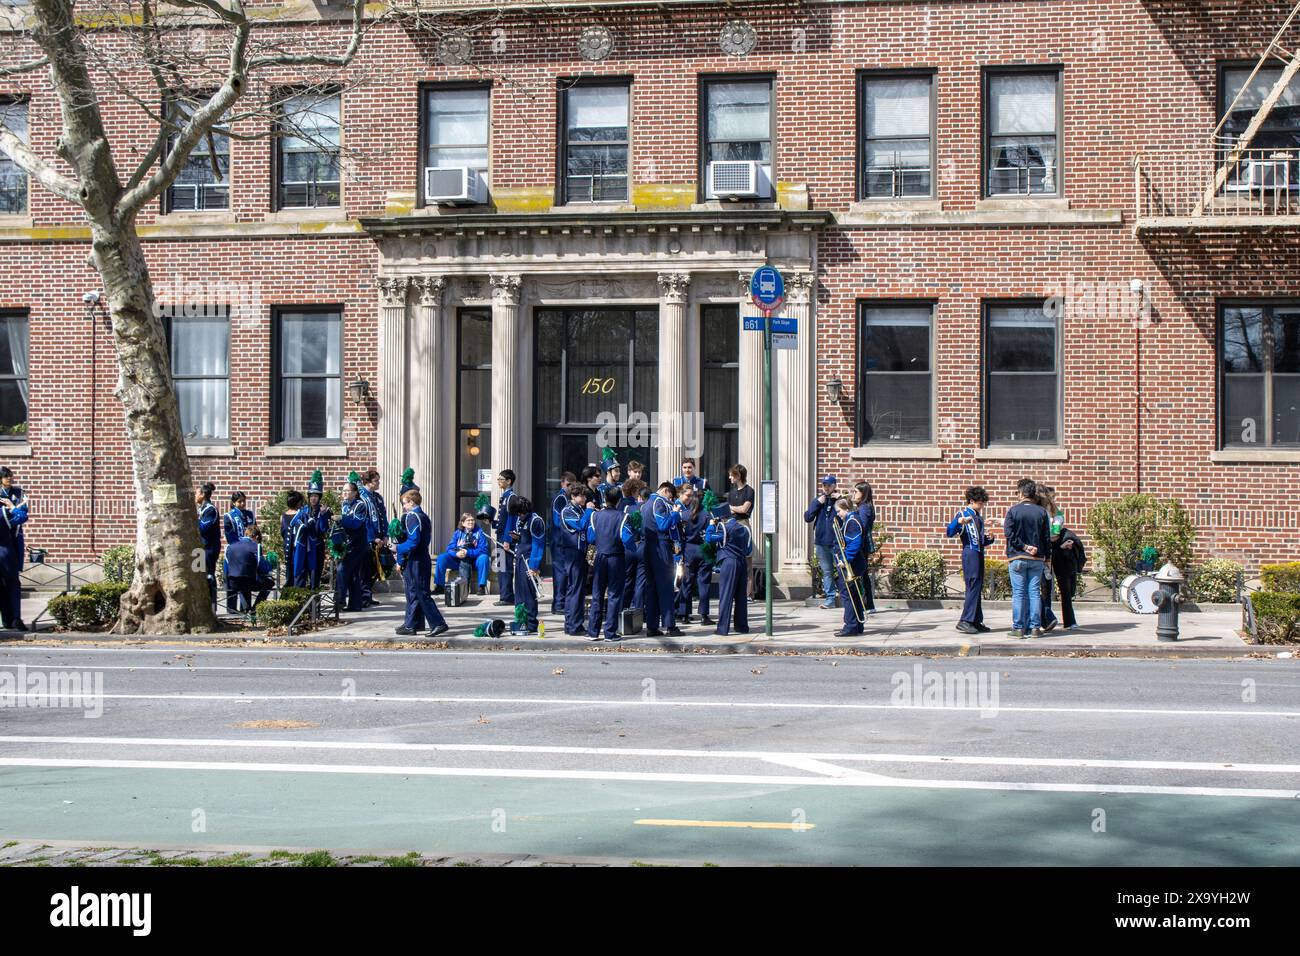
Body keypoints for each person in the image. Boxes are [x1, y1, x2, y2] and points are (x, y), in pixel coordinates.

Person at [393, 489, 449, 638]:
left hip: (416, 558)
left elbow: (413, 541)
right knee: (413, 592)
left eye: (404, 503)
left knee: (421, 593)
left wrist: (397, 548)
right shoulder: (423, 516)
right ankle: (412, 623)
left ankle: (438, 623)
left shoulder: (412, 516)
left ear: (411, 502)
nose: (403, 507)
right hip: (420, 557)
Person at [586, 487, 638, 641]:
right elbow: (627, 539)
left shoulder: (595, 516)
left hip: (600, 557)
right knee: (614, 595)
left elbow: (590, 538)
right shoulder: (623, 516)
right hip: (616, 558)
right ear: (619, 501)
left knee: (597, 594)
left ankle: (593, 632)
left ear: (605, 499)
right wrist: (633, 548)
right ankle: (610, 632)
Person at [1003, 478, 1052, 639]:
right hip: (1037, 559)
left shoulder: (1013, 511)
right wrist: (1047, 557)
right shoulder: (1042, 512)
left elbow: (1009, 534)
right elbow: (1046, 538)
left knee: (1019, 593)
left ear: (1022, 493)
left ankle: (1018, 628)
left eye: (1017, 492)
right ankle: (1035, 627)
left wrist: (1024, 546)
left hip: (1017, 557)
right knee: (1034, 593)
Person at [946, 486, 995, 635]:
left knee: (977, 586)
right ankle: (965, 620)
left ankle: (975, 620)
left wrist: (989, 540)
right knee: (973, 585)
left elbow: (979, 540)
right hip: (970, 553)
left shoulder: (977, 515)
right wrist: (959, 522)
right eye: (980, 503)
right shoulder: (963, 514)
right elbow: (949, 532)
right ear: (972, 501)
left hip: (978, 552)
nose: (982, 506)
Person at [640, 481, 683, 637]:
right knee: (665, 587)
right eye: (670, 496)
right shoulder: (658, 501)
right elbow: (663, 524)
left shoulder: (645, 504)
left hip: (648, 546)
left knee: (651, 588)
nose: (671, 500)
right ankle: (670, 625)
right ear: (665, 491)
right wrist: (675, 514)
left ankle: (652, 626)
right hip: (660, 545)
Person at [705, 510, 752, 636]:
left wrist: (711, 525)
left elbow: (709, 539)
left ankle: (723, 628)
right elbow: (749, 549)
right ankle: (742, 626)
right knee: (741, 597)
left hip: (729, 562)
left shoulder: (724, 528)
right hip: (742, 562)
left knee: (726, 596)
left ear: (721, 518)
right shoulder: (745, 528)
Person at [505, 495, 546, 634]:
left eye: (520, 513)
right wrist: (518, 537)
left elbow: (538, 545)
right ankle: (521, 620)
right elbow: (526, 538)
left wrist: (534, 566)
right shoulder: (520, 518)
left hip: (529, 560)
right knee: (520, 594)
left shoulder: (536, 521)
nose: (519, 516)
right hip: (520, 558)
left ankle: (531, 622)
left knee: (528, 593)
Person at [560, 485, 595, 635]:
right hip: (572, 553)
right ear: (573, 496)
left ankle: (571, 623)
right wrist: (589, 511)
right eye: (582, 496)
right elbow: (581, 525)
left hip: (580, 552)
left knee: (576, 589)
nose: (585, 498)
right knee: (575, 589)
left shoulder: (579, 510)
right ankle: (574, 625)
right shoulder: (567, 510)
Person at [804, 475, 842, 610]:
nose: (826, 488)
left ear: (834, 486)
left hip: (836, 543)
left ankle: (847, 597)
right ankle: (830, 599)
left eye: (829, 485)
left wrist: (839, 501)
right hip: (821, 543)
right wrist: (817, 503)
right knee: (827, 572)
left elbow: (845, 516)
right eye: (824, 485)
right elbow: (808, 517)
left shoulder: (839, 501)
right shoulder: (818, 501)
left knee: (842, 570)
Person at [834, 497, 869, 636]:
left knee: (847, 595)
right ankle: (857, 625)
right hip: (853, 562)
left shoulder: (852, 521)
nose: (838, 514)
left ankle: (850, 625)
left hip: (852, 564)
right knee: (853, 595)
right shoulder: (850, 520)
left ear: (846, 509)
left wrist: (845, 559)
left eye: (839, 511)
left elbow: (854, 544)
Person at [291, 470, 331, 589]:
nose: (313, 498)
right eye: (311, 496)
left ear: (319, 497)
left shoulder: (325, 511)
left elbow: (323, 529)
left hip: (317, 546)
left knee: (315, 575)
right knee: (301, 574)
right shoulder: (303, 510)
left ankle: (315, 604)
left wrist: (323, 516)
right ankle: (303, 602)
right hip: (304, 546)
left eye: (316, 496)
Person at [433, 512, 491, 595]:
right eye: (468, 520)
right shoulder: (458, 533)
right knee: (442, 558)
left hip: (475, 560)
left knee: (484, 558)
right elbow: (449, 548)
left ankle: (481, 587)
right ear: (463, 523)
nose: (471, 522)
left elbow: (484, 549)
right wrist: (456, 554)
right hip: (459, 559)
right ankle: (439, 586)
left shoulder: (479, 532)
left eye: (472, 520)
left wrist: (468, 552)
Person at [225, 524, 275, 618]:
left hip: (232, 583)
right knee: (270, 583)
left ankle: (246, 610)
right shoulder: (256, 546)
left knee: (244, 582)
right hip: (248, 582)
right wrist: (270, 565)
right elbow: (262, 568)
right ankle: (255, 609)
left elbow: (226, 567)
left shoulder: (230, 547)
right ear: (256, 537)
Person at [674, 487, 709, 624]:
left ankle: (684, 614)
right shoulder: (706, 515)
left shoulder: (684, 515)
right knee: (704, 582)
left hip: (688, 549)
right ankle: (704, 615)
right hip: (703, 548)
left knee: (687, 582)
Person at [333, 479, 369, 612]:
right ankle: (355, 604)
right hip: (348, 544)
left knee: (342, 568)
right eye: (343, 491)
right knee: (353, 574)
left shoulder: (360, 505)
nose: (345, 493)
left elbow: (356, 523)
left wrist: (342, 519)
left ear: (355, 493)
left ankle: (339, 599)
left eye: (347, 491)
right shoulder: (344, 505)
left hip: (358, 545)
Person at [0, 469, 29, 631]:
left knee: (12, 582)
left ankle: (15, 618)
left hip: (10, 544)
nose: (9, 478)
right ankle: (7, 619)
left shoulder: (18, 494)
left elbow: (22, 517)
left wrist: (12, 508)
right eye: (5, 476)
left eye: (10, 476)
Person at [1049, 512, 1086, 631]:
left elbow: (1056, 534)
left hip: (1061, 561)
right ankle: (1044, 620)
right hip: (1044, 555)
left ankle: (1069, 621)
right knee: (1042, 591)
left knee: (1067, 592)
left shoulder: (1062, 528)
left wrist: (1062, 547)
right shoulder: (1040, 514)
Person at [549, 473, 577, 614]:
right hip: (559, 541)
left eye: (572, 485)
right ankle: (559, 604)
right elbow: (557, 520)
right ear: (562, 484)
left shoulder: (566, 497)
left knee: (563, 572)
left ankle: (560, 602)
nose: (569, 488)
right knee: (560, 572)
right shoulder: (560, 498)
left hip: (563, 540)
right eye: (567, 485)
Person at [222, 491, 254, 612]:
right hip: (234, 552)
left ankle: (245, 609)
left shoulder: (250, 515)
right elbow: (230, 536)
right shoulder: (229, 516)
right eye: (239, 501)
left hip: (248, 551)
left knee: (246, 580)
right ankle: (231, 610)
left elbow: (254, 531)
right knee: (232, 581)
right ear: (234, 503)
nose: (242, 504)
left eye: (243, 501)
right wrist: (243, 544)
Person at [358, 469, 386, 608]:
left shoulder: (377, 497)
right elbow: (365, 520)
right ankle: (364, 596)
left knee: (374, 569)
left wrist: (385, 535)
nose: (378, 483)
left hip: (380, 537)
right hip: (368, 540)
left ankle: (368, 594)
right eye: (376, 481)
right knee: (366, 569)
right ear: (368, 482)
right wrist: (373, 538)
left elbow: (383, 516)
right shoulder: (362, 497)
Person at [727, 464, 755, 596]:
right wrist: (733, 508)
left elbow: (745, 509)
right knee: (733, 558)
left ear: (738, 476)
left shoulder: (749, 491)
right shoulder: (731, 493)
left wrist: (732, 508)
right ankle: (737, 592)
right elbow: (730, 510)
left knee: (747, 560)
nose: (729, 478)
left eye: (732, 475)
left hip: (743, 524)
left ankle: (748, 593)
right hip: (732, 523)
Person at [619, 477, 647, 610]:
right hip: (638, 544)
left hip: (628, 546)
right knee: (640, 581)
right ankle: (639, 610)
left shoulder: (624, 506)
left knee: (627, 580)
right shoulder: (638, 506)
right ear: (636, 491)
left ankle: (623, 609)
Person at [851, 481, 878, 613]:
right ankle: (868, 605)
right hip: (860, 545)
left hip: (861, 546)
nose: (853, 494)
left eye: (856, 491)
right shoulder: (862, 507)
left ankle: (867, 604)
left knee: (861, 574)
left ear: (863, 493)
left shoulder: (865, 508)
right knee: (863, 574)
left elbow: (860, 527)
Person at [493, 470, 518, 607]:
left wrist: (508, 540)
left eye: (501, 479)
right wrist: (492, 522)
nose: (498, 481)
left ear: (509, 481)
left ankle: (507, 596)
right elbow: (502, 520)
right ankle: (504, 595)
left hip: (505, 539)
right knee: (501, 567)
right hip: (501, 536)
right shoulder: (505, 496)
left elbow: (511, 520)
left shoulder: (511, 497)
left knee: (505, 567)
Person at [195, 482, 220, 608]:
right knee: (199, 574)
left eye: (197, 493)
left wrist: (193, 520)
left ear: (203, 495)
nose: (195, 496)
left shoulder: (211, 510)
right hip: (200, 548)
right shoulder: (201, 509)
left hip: (209, 548)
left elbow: (203, 528)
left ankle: (212, 606)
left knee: (209, 575)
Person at [280, 491, 304, 588]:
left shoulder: (283, 516)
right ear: (298, 503)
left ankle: (289, 598)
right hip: (299, 549)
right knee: (298, 575)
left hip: (287, 548)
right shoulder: (301, 515)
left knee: (289, 575)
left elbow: (282, 533)